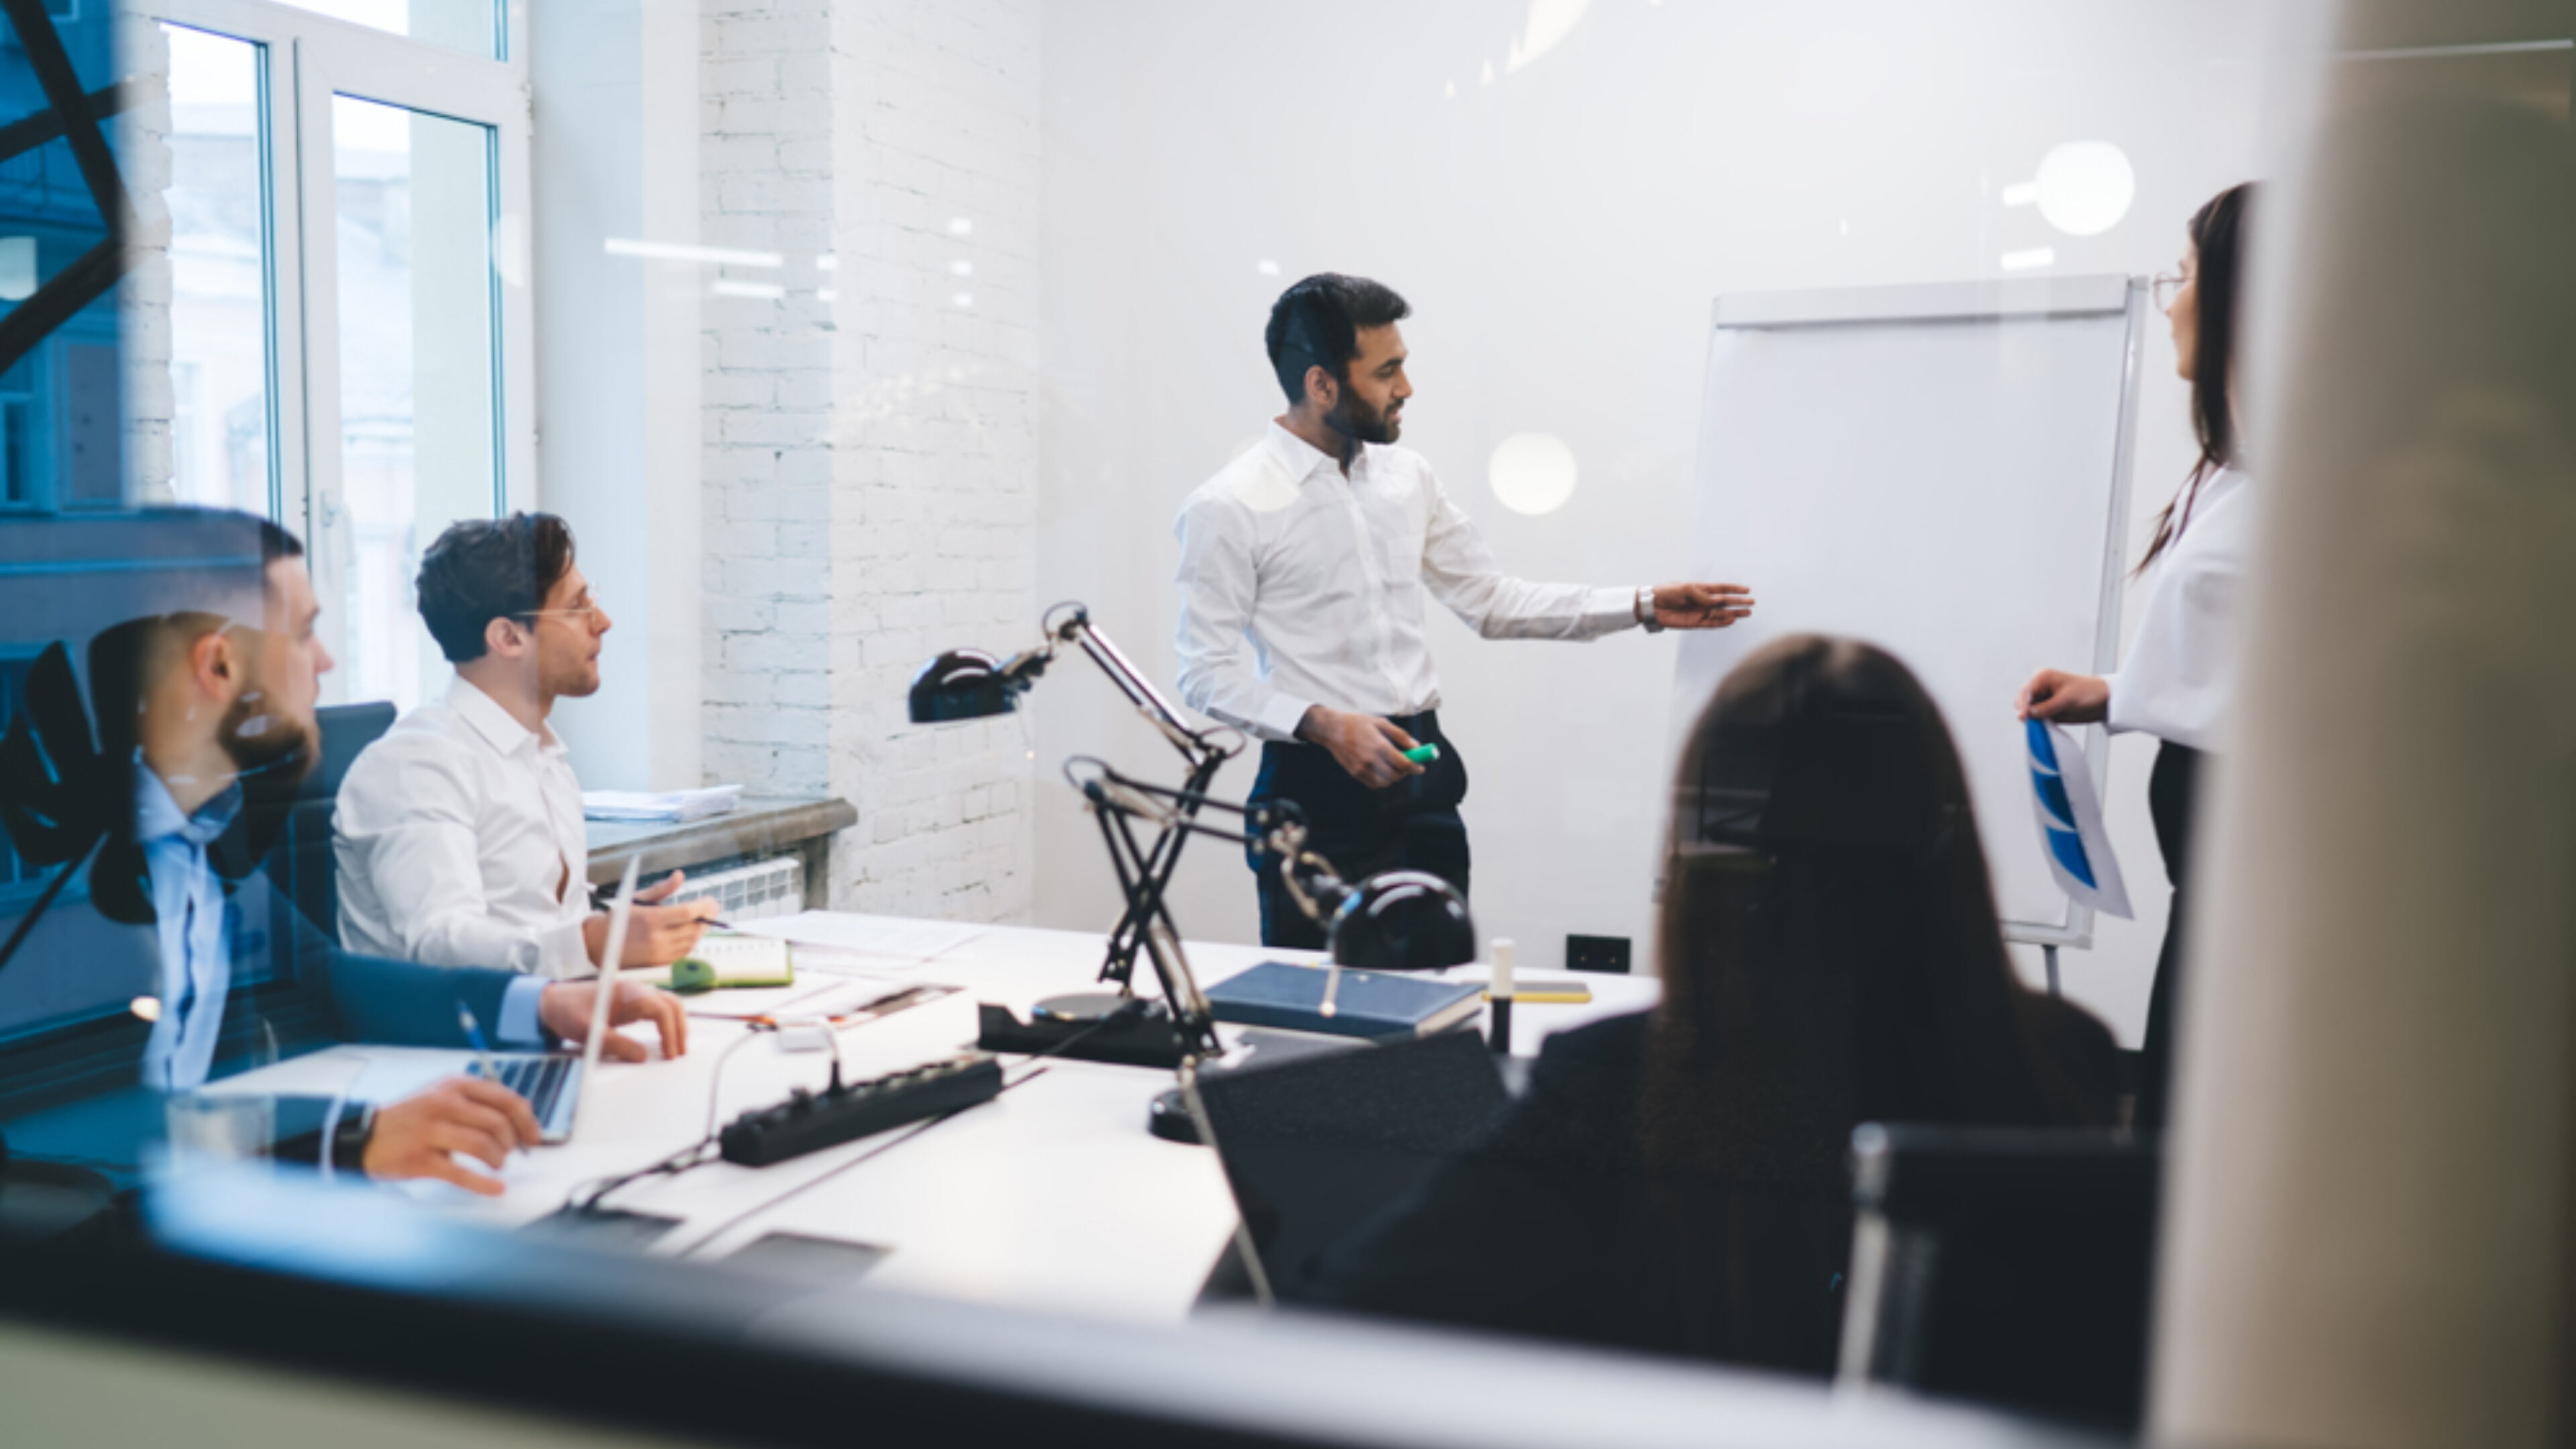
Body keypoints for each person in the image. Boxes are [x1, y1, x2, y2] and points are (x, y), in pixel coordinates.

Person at [1301, 635, 2118, 1374]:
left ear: (1702, 850)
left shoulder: (1620, 1078)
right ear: (1946, 836)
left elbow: (1345, 1317)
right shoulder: (2065, 1056)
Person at [103, 519, 687, 1195]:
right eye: (303, 633)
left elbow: (329, 977)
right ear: (216, 666)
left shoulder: (195, 838)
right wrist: (347, 1142)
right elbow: (97, 1135)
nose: (325, 660)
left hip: (354, 1115)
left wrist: (546, 1004)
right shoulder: (90, 877)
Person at [1175, 274, 1756, 947]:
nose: (1406, 389)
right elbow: (1204, 674)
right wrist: (1326, 726)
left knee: (1439, 1007)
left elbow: (1491, 601)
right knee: (1319, 1024)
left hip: (1426, 782)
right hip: (1313, 796)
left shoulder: (1406, 477)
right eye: (1387, 371)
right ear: (1322, 385)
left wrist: (1644, 604)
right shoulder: (1228, 505)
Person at [2017, 182, 2254, 1131]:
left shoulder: (2312, 469)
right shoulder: (2234, 467)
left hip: (2249, 886)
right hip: (2206, 883)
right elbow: (2236, 653)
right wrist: (2111, 694)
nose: (2168, 302)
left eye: (2185, 274)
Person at [335, 513, 716, 975]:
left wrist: (617, 924)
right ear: (508, 637)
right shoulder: (417, 765)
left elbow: (536, 925)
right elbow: (441, 943)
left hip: (559, 1021)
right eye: (577, 608)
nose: (603, 622)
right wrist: (591, 944)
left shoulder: (546, 759)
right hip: (457, 1041)